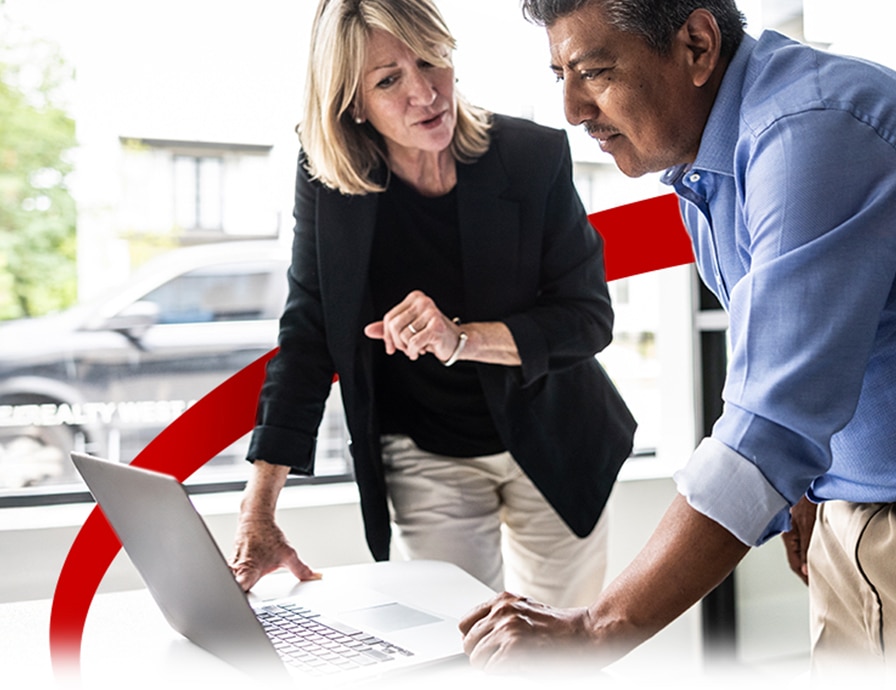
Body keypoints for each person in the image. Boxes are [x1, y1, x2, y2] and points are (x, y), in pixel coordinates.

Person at [459, 0, 896, 675]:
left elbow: (771, 422)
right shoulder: (710, 166)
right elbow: (789, 358)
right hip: (857, 513)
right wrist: (803, 491)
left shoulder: (811, 132)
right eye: (562, 76)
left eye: (594, 72)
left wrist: (596, 629)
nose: (573, 110)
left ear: (697, 45)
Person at [229, 0, 636, 610]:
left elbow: (587, 318)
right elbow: (309, 337)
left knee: (561, 643)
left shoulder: (531, 156)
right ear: (353, 103)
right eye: (388, 80)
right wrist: (258, 509)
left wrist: (461, 338)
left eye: (429, 60)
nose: (425, 93)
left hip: (555, 435)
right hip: (425, 452)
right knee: (458, 633)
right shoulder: (327, 180)